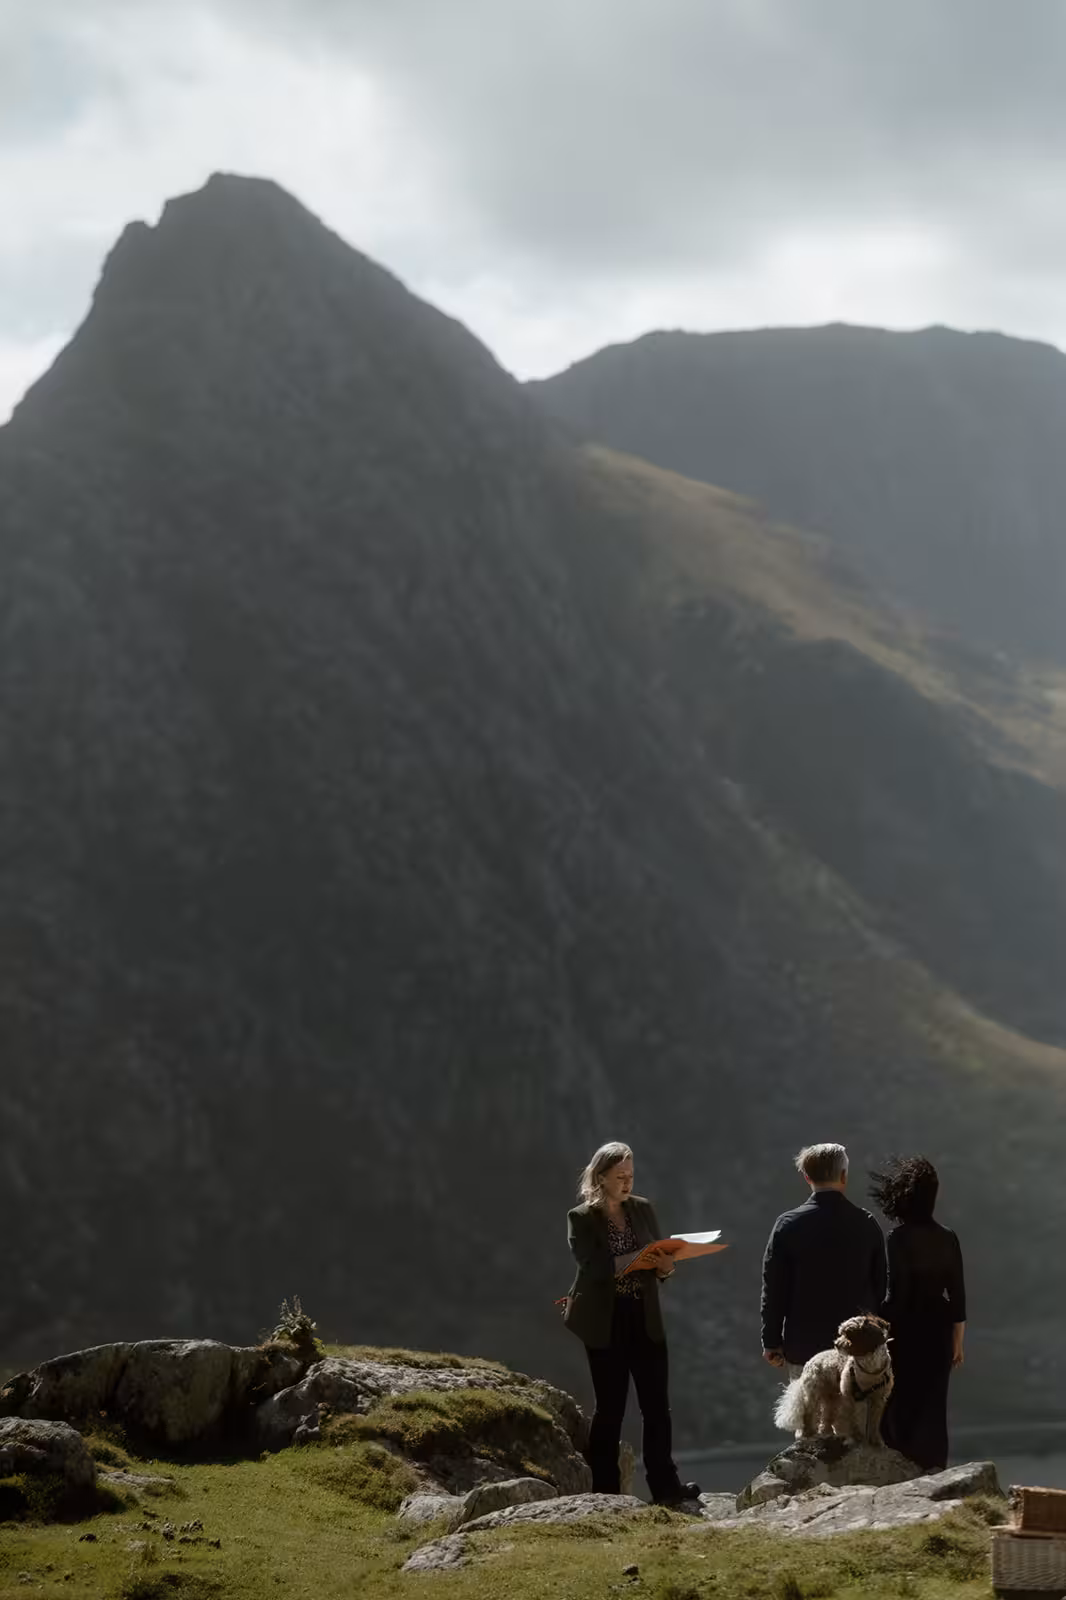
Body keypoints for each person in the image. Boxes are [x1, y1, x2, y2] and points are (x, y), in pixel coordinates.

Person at [563, 1140, 704, 1505]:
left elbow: (660, 1263)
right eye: (620, 1176)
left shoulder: (642, 1209)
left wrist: (665, 1267)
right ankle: (606, 1492)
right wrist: (637, 1258)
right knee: (610, 1407)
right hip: (606, 1322)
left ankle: (666, 1488)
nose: (627, 1182)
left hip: (645, 1317)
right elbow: (593, 1269)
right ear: (601, 1177)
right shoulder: (580, 1217)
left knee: (656, 1406)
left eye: (631, 1175)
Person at [870, 1154, 966, 1470]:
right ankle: (936, 1469)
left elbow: (897, 1293)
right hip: (939, 1329)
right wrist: (957, 1342)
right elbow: (957, 1296)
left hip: (905, 1330)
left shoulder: (898, 1238)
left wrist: (876, 1322)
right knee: (934, 1405)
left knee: (900, 1404)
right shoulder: (948, 1237)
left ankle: (902, 1469)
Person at [761, 1142, 887, 1377]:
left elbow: (775, 1288)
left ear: (807, 1177)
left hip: (804, 1349)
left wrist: (771, 1341)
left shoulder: (787, 1225)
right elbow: (880, 1287)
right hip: (857, 1347)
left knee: (807, 1413)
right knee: (854, 1413)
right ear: (843, 1176)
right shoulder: (866, 1224)